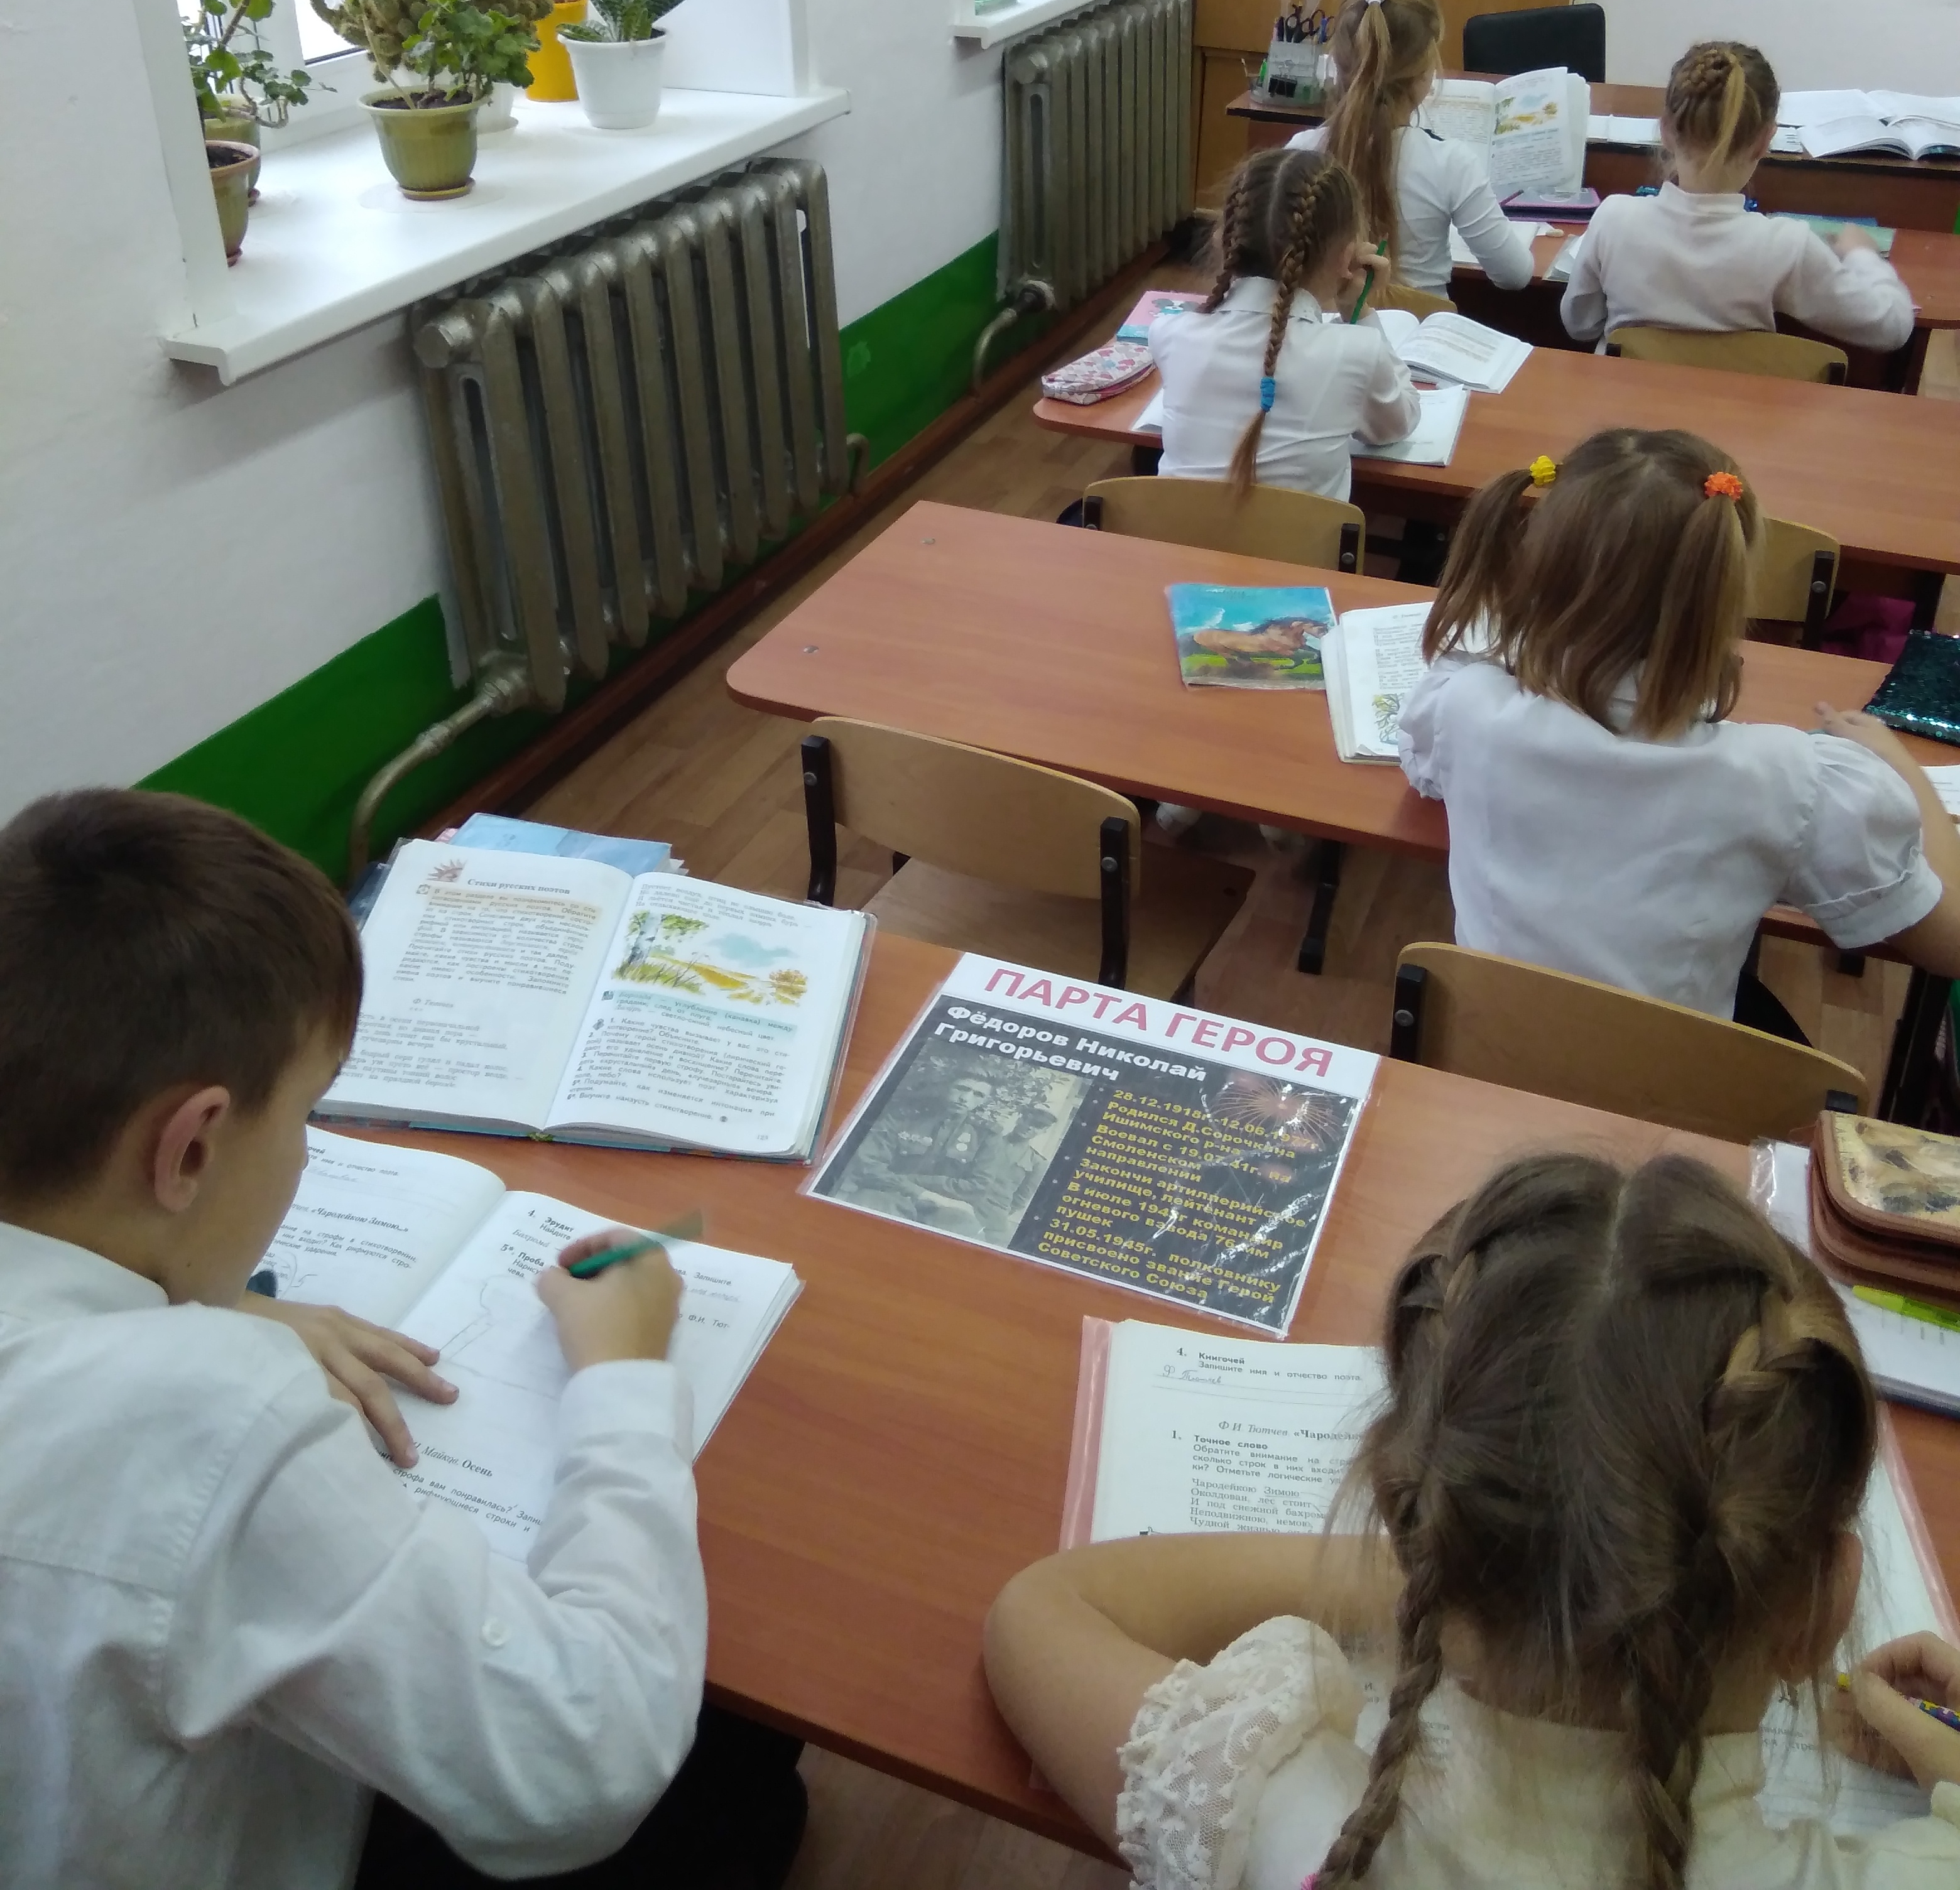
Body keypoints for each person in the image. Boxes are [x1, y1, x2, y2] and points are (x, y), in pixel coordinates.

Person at [0, 787, 804, 1890]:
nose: (306, 1153)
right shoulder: (201, 1411)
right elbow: (579, 1766)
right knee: (741, 1765)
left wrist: (190, 1298)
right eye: (306, 1114)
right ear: (189, 1148)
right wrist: (621, 1379)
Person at [984, 1147, 1960, 1888]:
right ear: (1823, 1609)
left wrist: (1434, 1563)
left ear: (1418, 1519)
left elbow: (1040, 1615)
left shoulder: (1286, 1820)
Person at [1393, 426, 1960, 1030]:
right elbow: (1950, 942)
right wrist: (1904, 771)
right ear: (1723, 596)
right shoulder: (1789, 779)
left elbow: (1427, 768)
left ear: (1537, 573)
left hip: (1486, 1049)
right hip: (1671, 1078)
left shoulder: (1465, 705)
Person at [1561, 39, 1915, 353]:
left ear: (1665, 131)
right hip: (1733, 407)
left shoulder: (1614, 219)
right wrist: (1862, 255)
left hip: (1626, 406)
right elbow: (1893, 327)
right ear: (1765, 141)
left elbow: (1580, 325)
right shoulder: (1786, 247)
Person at [1149, 140, 1419, 501]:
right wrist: (1359, 312)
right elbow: (1398, 424)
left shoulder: (1169, 333)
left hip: (1177, 536)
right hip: (1304, 541)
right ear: (1348, 258)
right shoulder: (1358, 351)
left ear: (1221, 241)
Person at [1308, 0, 1536, 297]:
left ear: (1339, 65)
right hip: (1419, 328)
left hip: (1321, 325)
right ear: (1424, 74)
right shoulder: (1451, 164)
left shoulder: (1301, 153)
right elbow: (1515, 274)